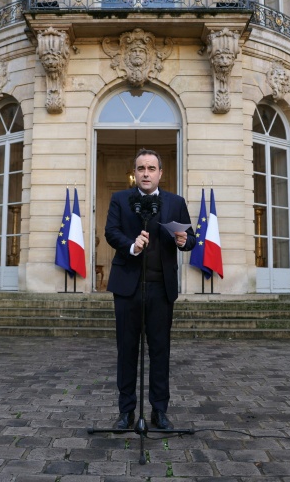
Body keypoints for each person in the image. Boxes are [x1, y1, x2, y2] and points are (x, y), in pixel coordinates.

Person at [104, 148, 196, 431]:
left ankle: (159, 411)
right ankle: (126, 412)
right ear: (135, 173)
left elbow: (191, 238)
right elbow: (111, 232)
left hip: (161, 289)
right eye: (141, 168)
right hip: (127, 288)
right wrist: (131, 245)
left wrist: (184, 242)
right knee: (127, 351)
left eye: (151, 168)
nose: (146, 173)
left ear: (160, 173)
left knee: (160, 351)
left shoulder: (176, 202)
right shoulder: (120, 199)